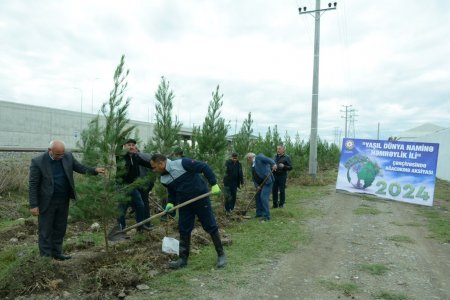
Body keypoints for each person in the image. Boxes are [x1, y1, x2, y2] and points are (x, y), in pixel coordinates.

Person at [29, 140, 105, 260]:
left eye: (62, 154)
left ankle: (57, 253)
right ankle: (45, 258)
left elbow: (79, 167)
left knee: (60, 227)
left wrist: (94, 170)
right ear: (50, 151)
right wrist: (33, 205)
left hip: (63, 199)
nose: (61, 156)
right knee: (45, 230)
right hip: (47, 201)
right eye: (58, 154)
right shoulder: (38, 162)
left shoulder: (67, 156)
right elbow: (33, 185)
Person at [150, 153, 226, 269]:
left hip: (200, 198)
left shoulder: (182, 163)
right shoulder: (163, 179)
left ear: (161, 163)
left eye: (154, 167)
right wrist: (171, 203)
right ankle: (183, 259)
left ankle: (221, 255)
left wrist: (213, 184)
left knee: (210, 225)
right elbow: (172, 191)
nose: (153, 170)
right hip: (185, 203)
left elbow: (204, 167)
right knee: (184, 229)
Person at [117, 139, 152, 232]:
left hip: (133, 186)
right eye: (129, 145)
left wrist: (156, 166)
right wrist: (121, 138)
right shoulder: (121, 157)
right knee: (122, 208)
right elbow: (117, 149)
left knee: (140, 205)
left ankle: (140, 225)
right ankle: (121, 229)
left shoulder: (136, 157)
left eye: (133, 145)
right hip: (123, 186)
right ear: (124, 146)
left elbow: (147, 164)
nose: (131, 147)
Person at [245, 152, 277, 222]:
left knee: (263, 197)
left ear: (249, 158)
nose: (248, 161)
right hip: (260, 184)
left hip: (267, 181)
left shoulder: (259, 157)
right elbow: (254, 177)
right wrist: (257, 186)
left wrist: (274, 164)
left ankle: (266, 216)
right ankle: (259, 213)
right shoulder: (253, 165)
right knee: (258, 196)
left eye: (247, 160)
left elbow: (268, 159)